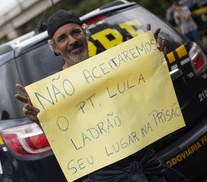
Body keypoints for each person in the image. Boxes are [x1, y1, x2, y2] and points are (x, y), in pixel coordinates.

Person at [15, 9, 190, 181]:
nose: (72, 41)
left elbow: (151, 98)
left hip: (150, 167)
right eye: (62, 38)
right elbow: (65, 141)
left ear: (86, 34)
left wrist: (156, 61)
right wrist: (40, 120)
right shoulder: (53, 96)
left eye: (76, 32)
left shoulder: (117, 67)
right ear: (54, 48)